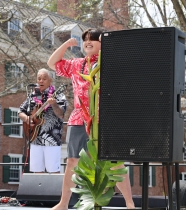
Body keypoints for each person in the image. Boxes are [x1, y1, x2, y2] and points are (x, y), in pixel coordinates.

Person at [47, 28, 135, 210]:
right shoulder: (77, 64)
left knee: (114, 162)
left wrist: (109, 45)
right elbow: (52, 63)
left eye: (93, 39)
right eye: (85, 39)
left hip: (105, 118)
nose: (88, 42)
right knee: (73, 160)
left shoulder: (110, 62)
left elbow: (128, 63)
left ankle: (129, 203)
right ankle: (63, 203)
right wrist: (66, 44)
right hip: (79, 117)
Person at [18, 68, 67, 173]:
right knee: (37, 171)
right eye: (39, 78)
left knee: (53, 171)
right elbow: (20, 111)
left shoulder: (58, 95)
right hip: (35, 138)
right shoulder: (33, 95)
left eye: (44, 79)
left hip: (51, 139)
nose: (41, 81)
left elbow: (61, 114)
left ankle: (55, 190)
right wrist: (27, 118)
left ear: (50, 81)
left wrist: (53, 104)